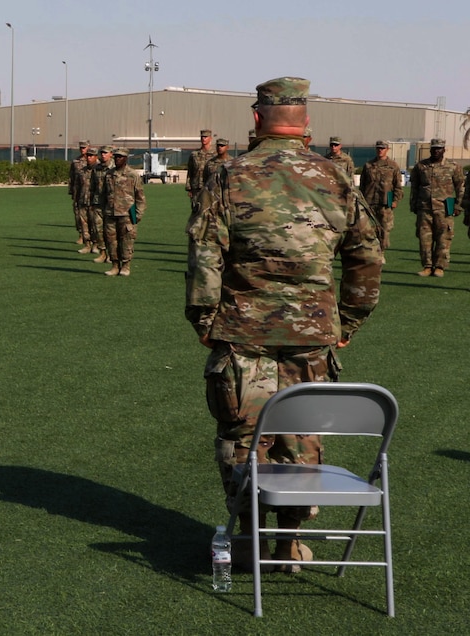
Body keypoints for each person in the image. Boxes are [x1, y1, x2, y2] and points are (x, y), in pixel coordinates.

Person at [185, 76, 383, 572]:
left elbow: (205, 252)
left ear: (257, 118)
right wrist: (349, 321)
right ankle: (287, 544)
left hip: (241, 336)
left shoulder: (229, 174)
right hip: (311, 338)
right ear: (306, 121)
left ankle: (251, 540)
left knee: (244, 438)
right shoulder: (335, 176)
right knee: (301, 439)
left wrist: (204, 319)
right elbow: (367, 257)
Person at [410, 139, 464, 277]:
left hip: (445, 208)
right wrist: (414, 204)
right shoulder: (421, 166)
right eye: (433, 148)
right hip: (425, 208)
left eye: (439, 148)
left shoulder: (453, 166)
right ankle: (427, 266)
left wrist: (458, 206)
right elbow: (415, 187)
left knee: (444, 238)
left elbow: (460, 187)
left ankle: (440, 266)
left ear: (444, 150)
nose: (436, 151)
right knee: (425, 238)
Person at [101, 148, 145, 276]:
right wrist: (104, 210)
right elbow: (104, 194)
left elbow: (140, 197)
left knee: (126, 241)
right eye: (116, 157)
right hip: (110, 213)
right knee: (111, 241)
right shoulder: (109, 174)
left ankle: (126, 266)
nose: (117, 159)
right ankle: (115, 265)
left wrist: (138, 215)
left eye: (121, 157)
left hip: (126, 214)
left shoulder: (132, 175)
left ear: (126, 158)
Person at [358, 140, 404, 252]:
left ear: (387, 149)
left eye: (382, 148)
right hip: (369, 204)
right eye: (378, 148)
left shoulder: (393, 166)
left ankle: (381, 254)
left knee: (384, 231)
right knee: (368, 231)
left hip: (385, 204)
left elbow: (398, 186)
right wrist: (361, 202)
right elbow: (362, 186)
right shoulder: (368, 165)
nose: (380, 150)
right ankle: (370, 254)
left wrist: (395, 201)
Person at [89, 146, 114, 263]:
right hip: (98, 203)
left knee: (110, 231)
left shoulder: (114, 168)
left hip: (111, 204)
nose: (103, 155)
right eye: (102, 153)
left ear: (111, 154)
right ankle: (103, 253)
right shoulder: (96, 168)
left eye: (105, 153)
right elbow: (92, 186)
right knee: (98, 229)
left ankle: (111, 254)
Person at [72, 148, 98, 255]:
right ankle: (87, 245)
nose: (89, 158)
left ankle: (96, 245)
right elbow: (77, 186)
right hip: (83, 201)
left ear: (96, 157)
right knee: (84, 224)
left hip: (95, 203)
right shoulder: (81, 171)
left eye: (92, 156)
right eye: (88, 156)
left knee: (95, 225)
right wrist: (76, 199)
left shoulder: (99, 171)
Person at [69, 140, 94, 245]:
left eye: (84, 147)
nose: (82, 149)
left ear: (88, 147)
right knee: (78, 215)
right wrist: (71, 191)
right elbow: (72, 177)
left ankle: (93, 238)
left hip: (91, 192)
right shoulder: (76, 162)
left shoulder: (93, 161)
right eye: (81, 148)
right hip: (78, 192)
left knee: (92, 216)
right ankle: (81, 235)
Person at [185, 129, 215, 205]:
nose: (203, 139)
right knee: (196, 211)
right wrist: (189, 188)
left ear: (210, 138)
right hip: (196, 188)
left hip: (211, 188)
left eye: (206, 137)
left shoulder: (215, 154)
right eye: (202, 137)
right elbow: (190, 172)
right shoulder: (194, 154)